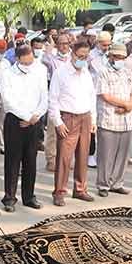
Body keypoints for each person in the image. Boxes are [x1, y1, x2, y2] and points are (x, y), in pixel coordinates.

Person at [0, 45, 47, 212]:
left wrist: (35, 116)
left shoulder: (40, 70)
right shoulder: (7, 74)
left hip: (34, 121)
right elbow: (8, 101)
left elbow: (44, 97)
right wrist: (26, 117)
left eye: (31, 62)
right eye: (25, 63)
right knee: (12, 161)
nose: (28, 65)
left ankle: (29, 196)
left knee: (31, 160)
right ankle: (9, 197)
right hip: (15, 121)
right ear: (18, 59)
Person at [48, 40, 96, 206]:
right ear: (72, 54)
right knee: (64, 158)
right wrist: (58, 122)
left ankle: (80, 189)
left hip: (85, 117)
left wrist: (93, 119)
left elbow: (92, 97)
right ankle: (59, 192)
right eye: (80, 56)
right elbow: (52, 100)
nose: (82, 59)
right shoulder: (60, 73)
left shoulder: (86, 73)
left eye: (85, 56)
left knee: (83, 155)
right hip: (68, 117)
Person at [94, 44, 132, 196]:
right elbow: (104, 95)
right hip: (109, 119)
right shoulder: (103, 72)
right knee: (106, 155)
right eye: (117, 57)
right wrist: (125, 104)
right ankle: (103, 185)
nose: (120, 60)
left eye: (122, 57)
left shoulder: (127, 72)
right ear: (111, 57)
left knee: (123, 154)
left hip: (126, 120)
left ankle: (117, 183)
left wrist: (129, 106)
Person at [43, 35, 74, 171]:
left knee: (69, 133)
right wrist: (49, 49)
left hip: (70, 101)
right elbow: (44, 60)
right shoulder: (52, 60)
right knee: (52, 133)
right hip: (56, 100)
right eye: (61, 44)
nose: (64, 46)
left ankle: (67, 159)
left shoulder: (73, 59)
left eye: (66, 43)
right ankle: (51, 159)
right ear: (57, 45)